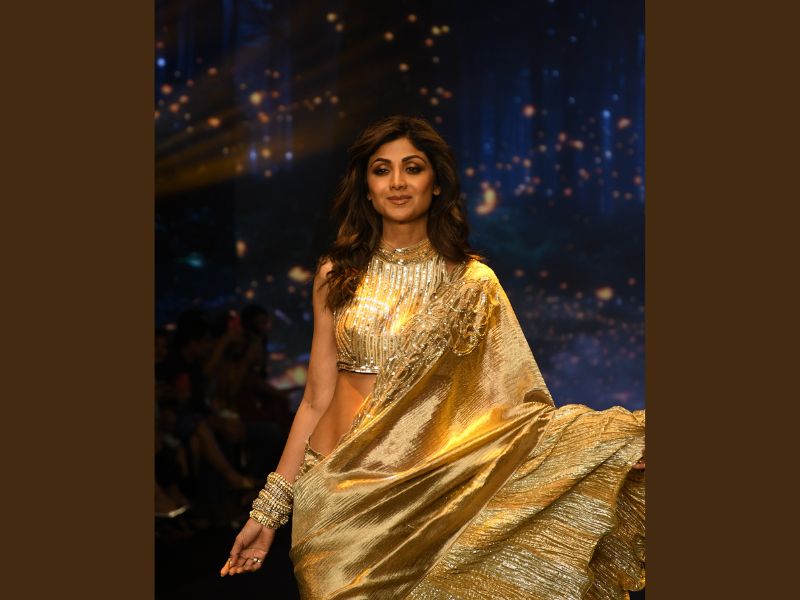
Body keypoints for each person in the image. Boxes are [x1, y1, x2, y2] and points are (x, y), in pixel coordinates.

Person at [220, 115, 645, 599]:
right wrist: (269, 512)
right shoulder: (336, 273)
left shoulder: (473, 283)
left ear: (436, 183)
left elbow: (517, 412)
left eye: (413, 168)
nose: (397, 182)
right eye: (382, 170)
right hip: (335, 498)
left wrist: (614, 448)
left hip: (429, 495)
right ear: (366, 188)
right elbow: (316, 398)